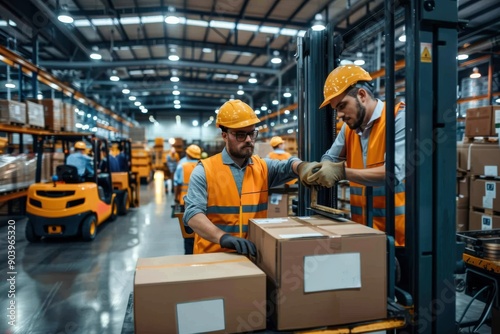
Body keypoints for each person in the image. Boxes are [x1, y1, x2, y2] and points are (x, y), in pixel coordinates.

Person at [183, 99, 320, 255]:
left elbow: (289, 165)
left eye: (251, 133)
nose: (248, 140)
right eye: (240, 135)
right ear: (225, 135)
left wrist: (302, 167)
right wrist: (222, 237)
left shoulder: (262, 167)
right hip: (214, 258)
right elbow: (193, 214)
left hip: (253, 256)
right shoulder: (205, 171)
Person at [308, 65, 406, 246]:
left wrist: (342, 172)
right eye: (336, 109)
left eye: (342, 106)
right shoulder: (349, 129)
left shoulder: (398, 118)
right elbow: (331, 157)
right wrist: (319, 169)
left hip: (398, 238)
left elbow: (392, 174)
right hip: (362, 233)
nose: (340, 116)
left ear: (362, 95)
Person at [173, 144, 201, 254]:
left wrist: (176, 198)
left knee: (188, 235)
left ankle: (189, 257)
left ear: (188, 154)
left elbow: (177, 184)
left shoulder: (182, 166)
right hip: (202, 204)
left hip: (185, 204)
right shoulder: (204, 166)